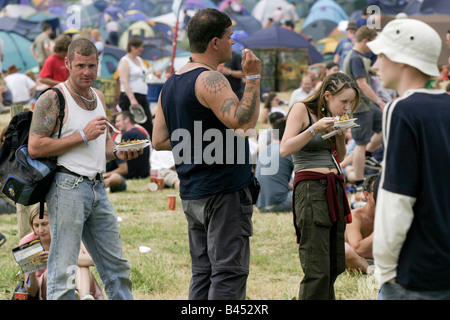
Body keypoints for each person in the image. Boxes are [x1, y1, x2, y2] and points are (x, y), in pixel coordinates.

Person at [152, 8, 261, 300]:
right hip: (223, 192)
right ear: (215, 42)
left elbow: (160, 139)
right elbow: (243, 122)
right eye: (230, 37)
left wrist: (199, 146)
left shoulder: (171, 83)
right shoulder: (210, 80)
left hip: (192, 192)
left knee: (203, 273)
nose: (233, 43)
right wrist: (253, 78)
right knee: (228, 273)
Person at [28, 38, 141, 300]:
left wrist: (123, 151)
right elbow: (35, 146)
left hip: (98, 187)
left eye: (92, 65)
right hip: (67, 187)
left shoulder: (99, 97)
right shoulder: (53, 97)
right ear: (67, 63)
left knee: (117, 266)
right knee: (64, 270)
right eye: (80, 65)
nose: (87, 72)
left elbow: (104, 147)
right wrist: (83, 135)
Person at [367, 17, 450, 300]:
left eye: (381, 54)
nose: (375, 65)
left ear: (401, 59)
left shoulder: (401, 109)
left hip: (414, 271)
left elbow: (396, 197)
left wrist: (385, 268)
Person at [280, 72, 359, 300]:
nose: (346, 107)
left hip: (333, 188)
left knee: (334, 263)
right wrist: (314, 129)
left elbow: (340, 157)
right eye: (343, 101)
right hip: (311, 189)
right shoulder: (301, 110)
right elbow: (285, 148)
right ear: (327, 95)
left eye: (349, 103)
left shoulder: (330, 116)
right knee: (317, 266)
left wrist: (341, 135)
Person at [19, 204, 105, 300]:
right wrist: (31, 269)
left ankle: (84, 296)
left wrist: (59, 258)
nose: (40, 230)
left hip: (77, 282)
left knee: (78, 255)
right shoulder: (27, 243)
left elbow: (94, 259)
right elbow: (32, 292)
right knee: (51, 271)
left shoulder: (67, 233)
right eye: (36, 225)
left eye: (44, 224)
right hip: (46, 289)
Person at [342, 25, 383, 191]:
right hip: (360, 106)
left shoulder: (358, 57)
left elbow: (370, 72)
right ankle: (359, 183)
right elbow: (362, 84)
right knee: (360, 143)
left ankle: (368, 154)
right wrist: (379, 101)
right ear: (366, 40)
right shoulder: (355, 58)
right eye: (372, 43)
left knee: (387, 123)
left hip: (366, 105)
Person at [118, 36, 153, 139]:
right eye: (139, 47)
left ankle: (148, 148)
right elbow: (124, 80)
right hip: (129, 98)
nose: (141, 49)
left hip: (142, 96)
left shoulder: (139, 59)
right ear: (132, 47)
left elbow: (144, 74)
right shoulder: (125, 61)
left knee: (147, 125)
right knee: (130, 125)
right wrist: (132, 99)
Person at [256, 118, 293, 213]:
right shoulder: (288, 151)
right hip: (279, 203)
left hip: (260, 205)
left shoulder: (263, 150)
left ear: (273, 133)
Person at [345, 174, 379, 274]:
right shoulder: (355, 216)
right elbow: (358, 249)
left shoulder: (390, 214)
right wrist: (381, 229)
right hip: (359, 261)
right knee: (345, 249)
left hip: (382, 260)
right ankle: (373, 272)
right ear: (366, 194)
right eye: (376, 191)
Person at [105, 110, 150, 183]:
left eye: (118, 121)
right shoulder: (142, 134)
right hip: (143, 174)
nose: (116, 124)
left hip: (130, 175)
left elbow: (123, 162)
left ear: (127, 120)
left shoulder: (127, 135)